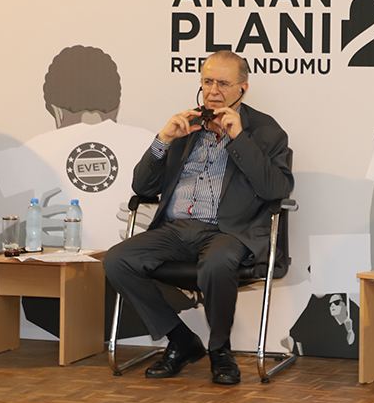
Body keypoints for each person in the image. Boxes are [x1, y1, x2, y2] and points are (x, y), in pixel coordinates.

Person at [103, 51, 292, 385]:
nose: (213, 90)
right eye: (207, 81)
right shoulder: (187, 125)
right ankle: (181, 340)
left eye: (223, 83)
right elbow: (142, 187)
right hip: (176, 229)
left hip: (228, 231)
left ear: (243, 88)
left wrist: (239, 138)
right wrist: (163, 140)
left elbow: (276, 189)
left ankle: (220, 350)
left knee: (218, 263)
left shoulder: (266, 132)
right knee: (118, 260)